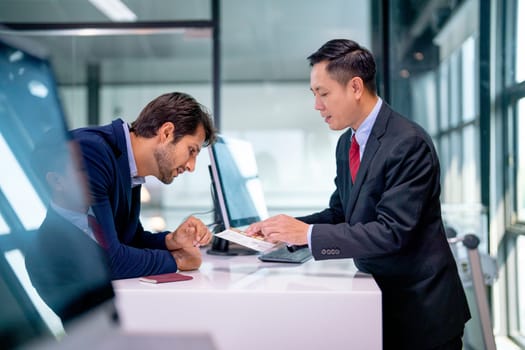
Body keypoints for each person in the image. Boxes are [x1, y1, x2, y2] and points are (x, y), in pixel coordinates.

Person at [246, 39, 471, 349]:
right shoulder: (347, 142)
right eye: (314, 95)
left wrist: (308, 235)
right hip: (381, 301)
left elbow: (392, 232)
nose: (317, 106)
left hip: (420, 313)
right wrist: (284, 228)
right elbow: (341, 213)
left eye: (323, 94)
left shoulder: (407, 143)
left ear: (355, 87)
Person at [71, 92, 216, 279]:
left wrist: (171, 240)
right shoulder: (91, 152)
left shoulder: (129, 167)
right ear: (166, 133)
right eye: (191, 151)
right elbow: (105, 259)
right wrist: (177, 259)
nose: (191, 167)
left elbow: (128, 240)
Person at [25, 130, 113, 322]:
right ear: (57, 181)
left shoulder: (110, 212)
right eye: (84, 168)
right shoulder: (43, 254)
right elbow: (90, 317)